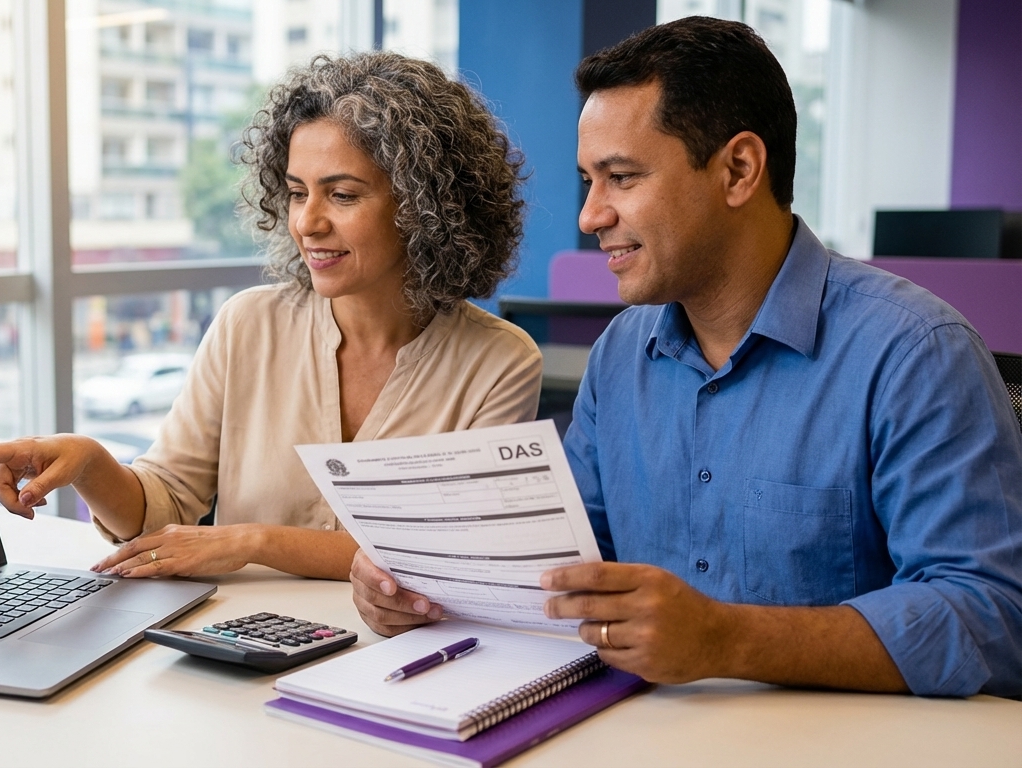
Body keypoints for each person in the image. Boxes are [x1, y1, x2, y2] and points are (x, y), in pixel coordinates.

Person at [349, 16, 1022, 698]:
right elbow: (569, 563)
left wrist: (726, 639)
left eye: (621, 178)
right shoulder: (620, 356)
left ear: (737, 170)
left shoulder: (914, 354)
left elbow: (991, 617)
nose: (590, 216)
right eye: (589, 180)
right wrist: (426, 591)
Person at [0, 52, 541, 582]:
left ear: (425, 206)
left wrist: (254, 542)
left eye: (343, 194)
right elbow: (166, 503)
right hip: (236, 651)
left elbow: (449, 560)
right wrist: (91, 464)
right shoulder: (247, 326)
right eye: (297, 192)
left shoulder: (498, 362)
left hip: (402, 658)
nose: (307, 221)